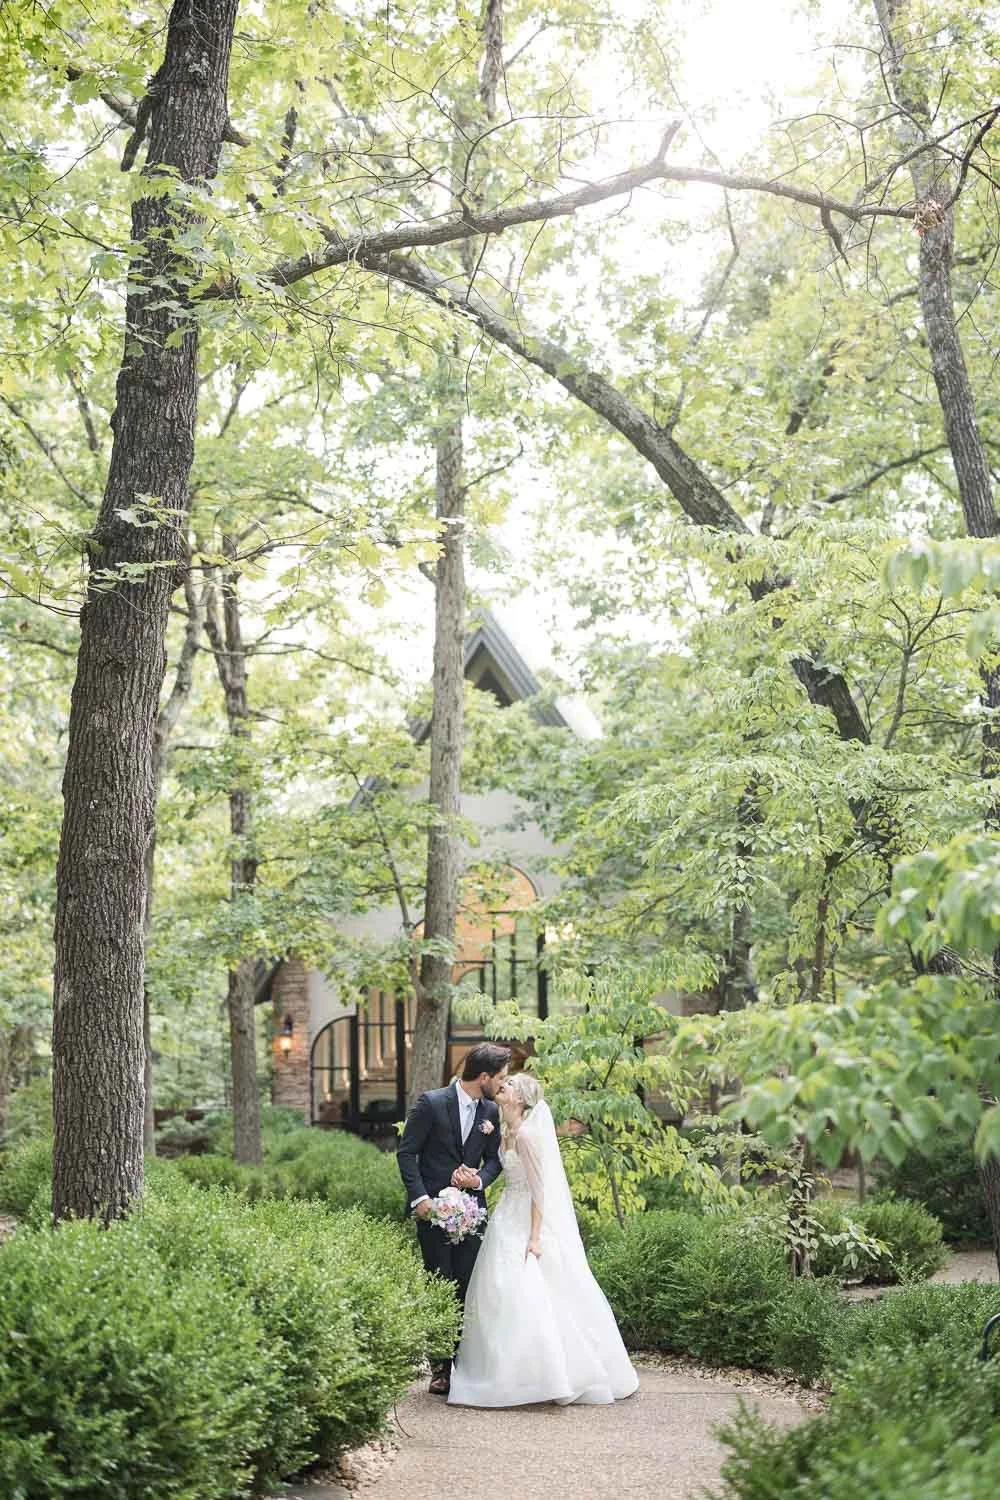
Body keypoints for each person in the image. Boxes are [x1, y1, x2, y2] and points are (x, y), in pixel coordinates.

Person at [448, 1072, 639, 1408]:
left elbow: (540, 1191)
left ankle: (553, 1373)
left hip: (526, 1219)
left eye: (509, 1085)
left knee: (531, 1291)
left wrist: (535, 1238)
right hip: (506, 1215)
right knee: (499, 1291)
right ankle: (512, 1372)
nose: (503, 1086)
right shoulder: (505, 1132)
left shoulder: (526, 1136)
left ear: (521, 1099)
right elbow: (508, 1176)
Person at [396, 1042, 510, 1396]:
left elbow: (495, 1160)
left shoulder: (490, 1111)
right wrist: (420, 1199)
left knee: (468, 1286)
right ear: (484, 1076)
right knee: (439, 1285)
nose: (504, 1084)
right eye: (501, 1077)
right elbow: (407, 1153)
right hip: (433, 1211)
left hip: (473, 1213)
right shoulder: (431, 1103)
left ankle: (465, 1364)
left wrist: (479, 1181)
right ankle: (441, 1368)